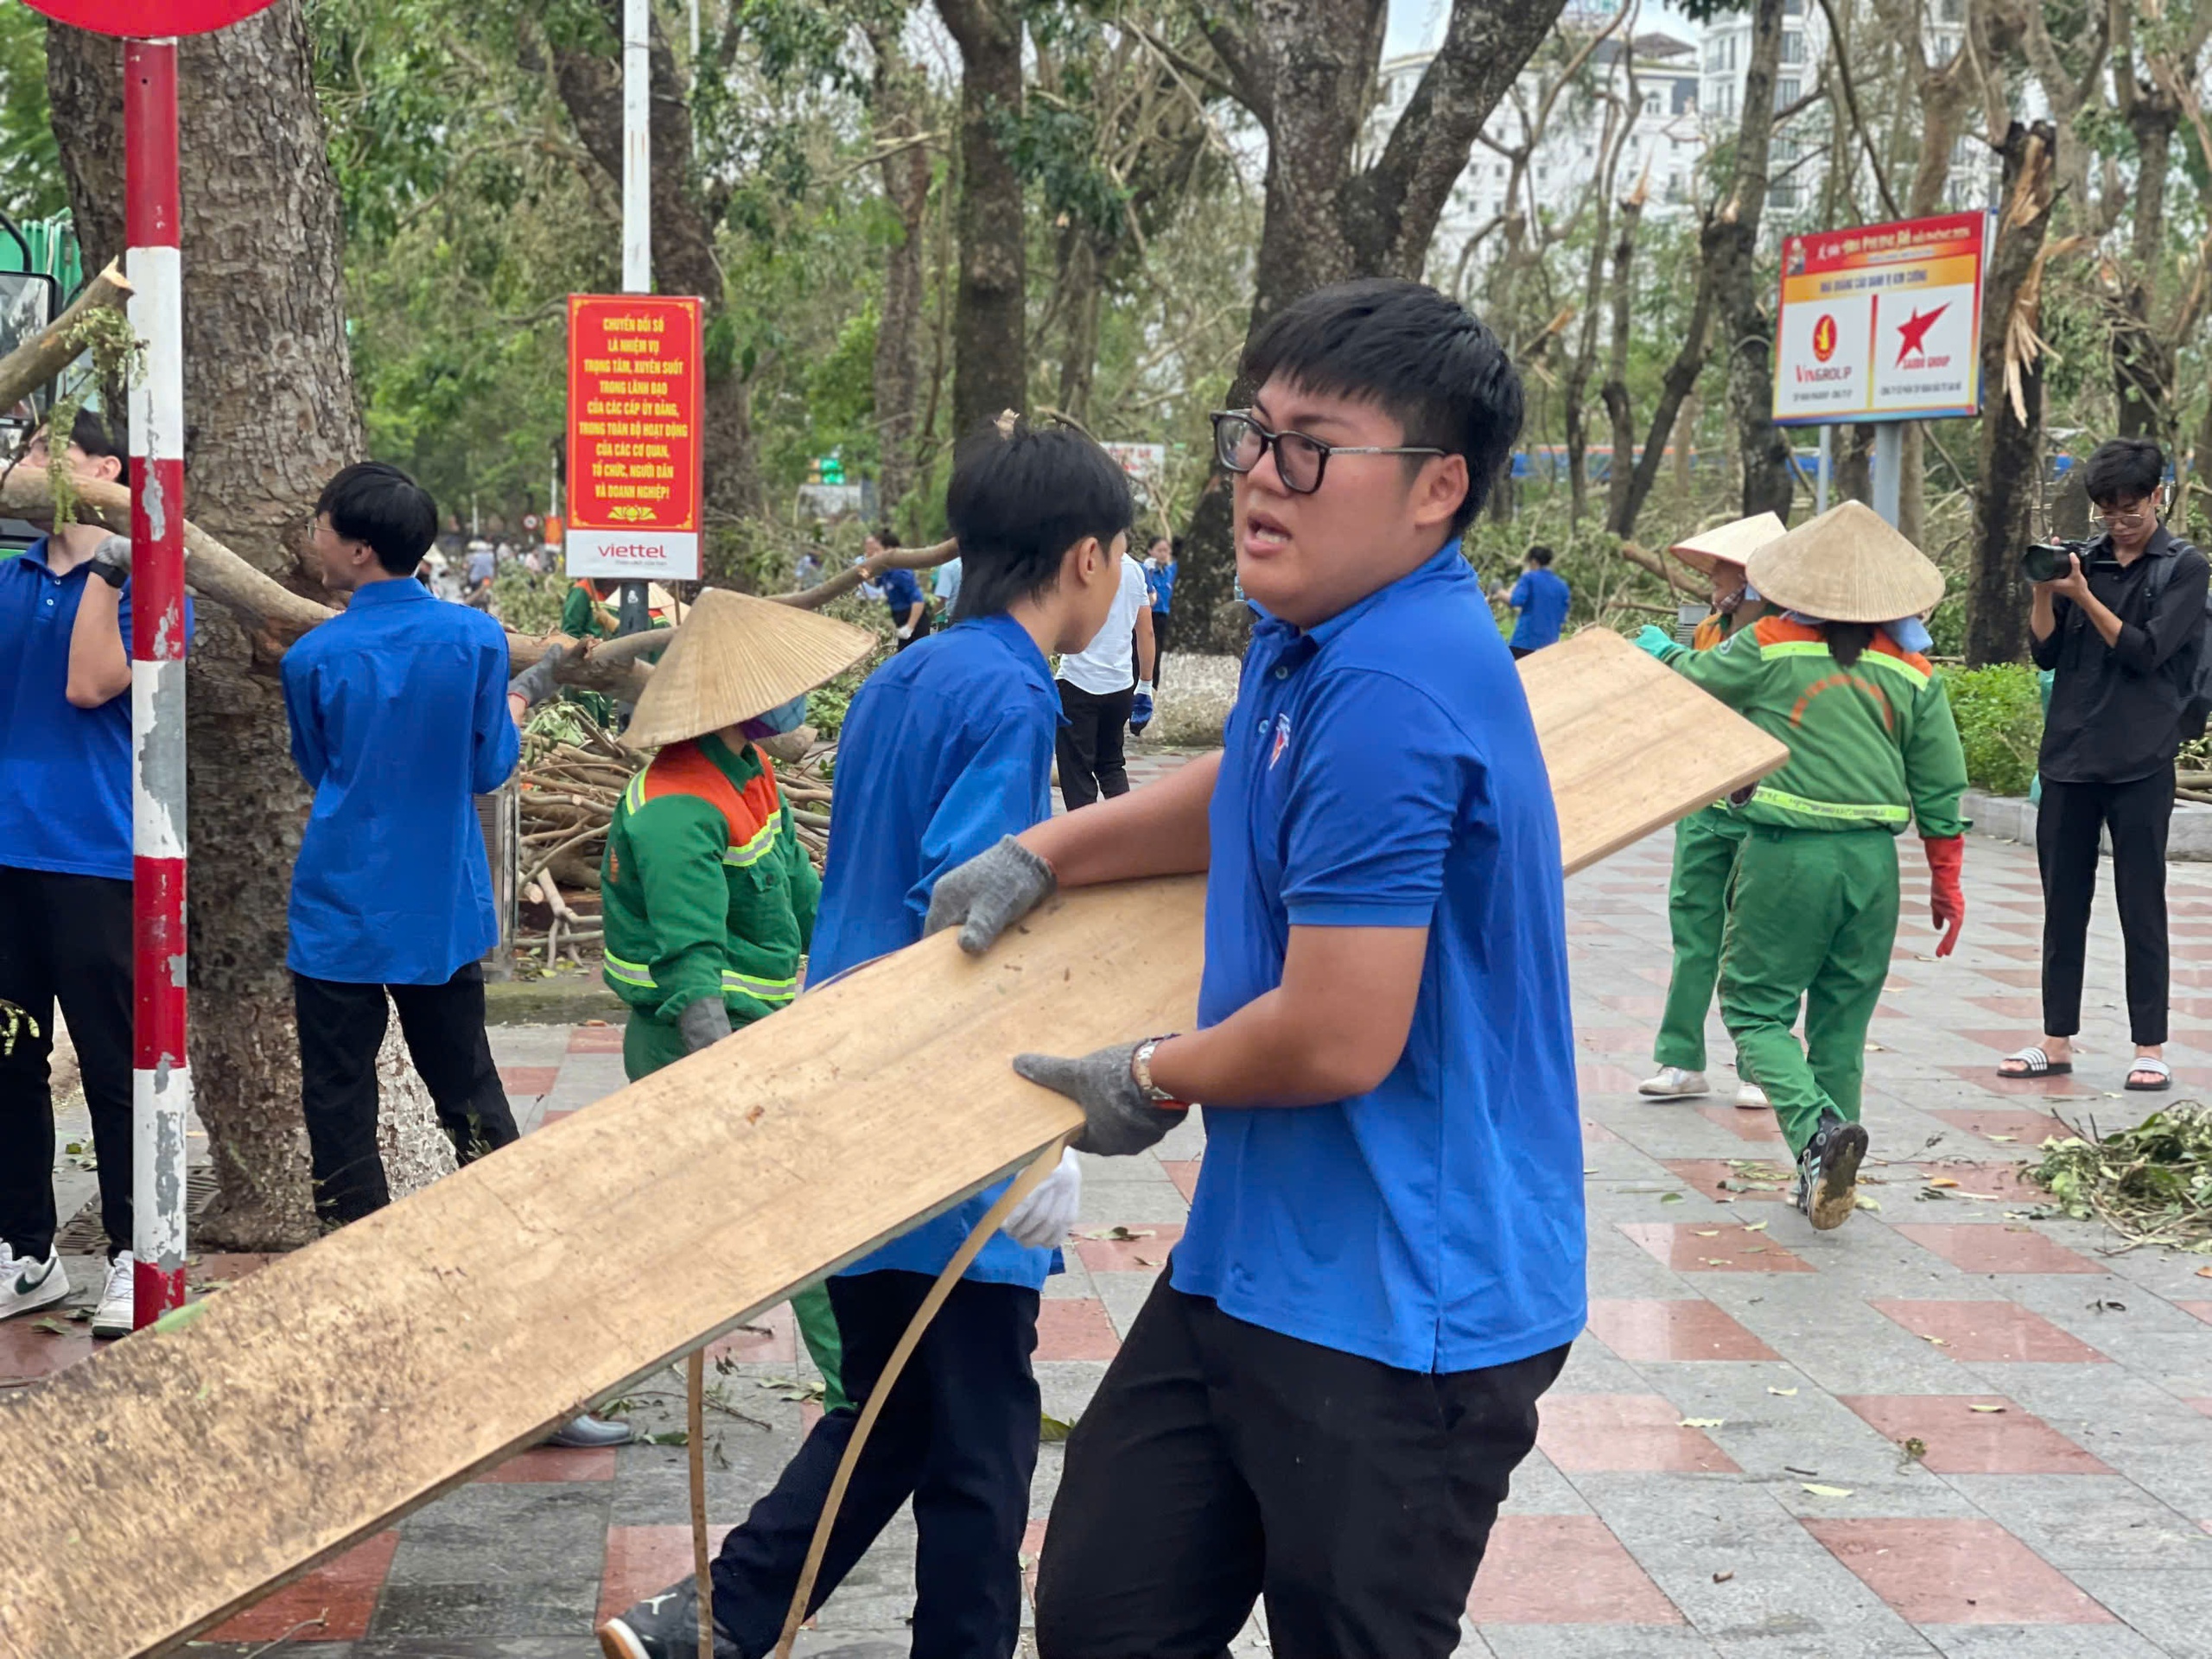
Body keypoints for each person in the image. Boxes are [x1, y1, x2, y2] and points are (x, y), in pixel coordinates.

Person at [922, 279, 1577, 1659]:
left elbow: (1341, 1035)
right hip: (1260, 1259)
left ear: (1436, 488)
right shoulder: (1317, 639)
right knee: (1108, 1612)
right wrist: (1050, 851)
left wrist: (1147, 1075)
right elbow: (1248, 785)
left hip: (1409, 1307)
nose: (1259, 480)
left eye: (1311, 448)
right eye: (1253, 435)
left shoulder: (1395, 691)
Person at [597, 416, 1132, 1659]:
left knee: (894, 1414)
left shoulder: (905, 678)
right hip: (943, 1121)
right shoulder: (1008, 690)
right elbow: (973, 916)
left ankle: (708, 1624)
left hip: (851, 1082)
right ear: (1088, 559)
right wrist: (1024, 1138)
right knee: (981, 1458)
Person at [289, 464, 632, 1452]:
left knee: (340, 1115)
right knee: (472, 1101)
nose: (313, 536)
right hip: (438, 910)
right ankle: (531, 1339)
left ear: (357, 550)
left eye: (321, 526)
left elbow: (319, 768)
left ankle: (364, 1339)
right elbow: (490, 767)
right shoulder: (476, 638)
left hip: (339, 912)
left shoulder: (314, 656)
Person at [1637, 501, 1968, 1230]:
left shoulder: (1771, 643)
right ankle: (1824, 1172)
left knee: (1755, 1011)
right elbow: (1941, 783)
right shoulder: (1912, 669)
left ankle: (1817, 1134)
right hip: (1876, 868)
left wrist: (1657, 650)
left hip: (1789, 856)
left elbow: (1693, 678)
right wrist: (1946, 879)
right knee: (1842, 1025)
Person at [592, 588, 874, 1411]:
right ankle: (856, 1398)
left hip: (761, 1031)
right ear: (736, 705)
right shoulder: (678, 809)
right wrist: (729, 1079)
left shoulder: (747, 774)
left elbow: (797, 889)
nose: (796, 702)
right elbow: (691, 970)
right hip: (695, 1044)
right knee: (794, 1224)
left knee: (770, 1219)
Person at [0, 412, 191, 1338]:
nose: (24, 469)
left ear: (105, 470)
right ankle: (26, 1253)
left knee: (117, 1067)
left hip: (95, 857)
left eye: (44, 455)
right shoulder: (8, 579)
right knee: (9, 1058)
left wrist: (112, 564)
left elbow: (88, 685)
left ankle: (130, 1252)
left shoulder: (149, 588)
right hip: (7, 856)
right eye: (24, 454)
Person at [1999, 437, 2210, 1090]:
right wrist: (2045, 590)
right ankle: (2054, 1038)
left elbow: (2147, 651)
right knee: (2064, 904)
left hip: (2141, 757)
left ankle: (2149, 1045)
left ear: (2157, 496)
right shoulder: (2082, 559)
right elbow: (2046, 654)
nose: (2118, 522)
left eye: (2129, 510)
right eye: (2107, 511)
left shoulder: (2183, 567)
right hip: (2068, 755)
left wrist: (2086, 596)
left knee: (2139, 902)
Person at [1640, 513, 1783, 1109]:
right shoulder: (1706, 634)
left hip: (1762, 803)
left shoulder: (1783, 639)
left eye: (1724, 572)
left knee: (1756, 939)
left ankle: (1757, 1067)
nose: (1713, 583)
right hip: (1703, 801)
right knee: (1693, 928)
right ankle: (1680, 1058)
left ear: (1754, 579)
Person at [1054, 541, 1156, 810]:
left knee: (1077, 772)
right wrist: (1145, 685)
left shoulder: (1075, 563)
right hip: (1120, 685)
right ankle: (1125, 834)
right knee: (1111, 764)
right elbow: (1146, 631)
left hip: (1077, 682)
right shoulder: (1136, 570)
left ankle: (1085, 841)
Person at [1494, 543, 1570, 657]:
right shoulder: (1562, 586)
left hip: (1524, 642)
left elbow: (1515, 601)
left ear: (1533, 562)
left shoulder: (1529, 578)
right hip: (1550, 645)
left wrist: (1499, 592)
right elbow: (1563, 616)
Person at [867, 529, 931, 651]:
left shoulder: (901, 572)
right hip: (899, 618)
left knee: (913, 655)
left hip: (913, 621)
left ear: (889, 550)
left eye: (877, 550)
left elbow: (918, 601)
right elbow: (876, 582)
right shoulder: (886, 570)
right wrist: (862, 575)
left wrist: (909, 628)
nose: (875, 555)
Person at [1143, 534, 1178, 687]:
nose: (1164, 554)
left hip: (1167, 619)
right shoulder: (1146, 571)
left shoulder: (1169, 572)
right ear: (1150, 551)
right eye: (1160, 550)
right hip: (1151, 618)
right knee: (1153, 657)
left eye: (1166, 551)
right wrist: (1148, 572)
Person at [932, 551, 963, 618]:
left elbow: (942, 598)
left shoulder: (948, 566)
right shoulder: (982, 562)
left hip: (957, 617)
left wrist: (930, 615)